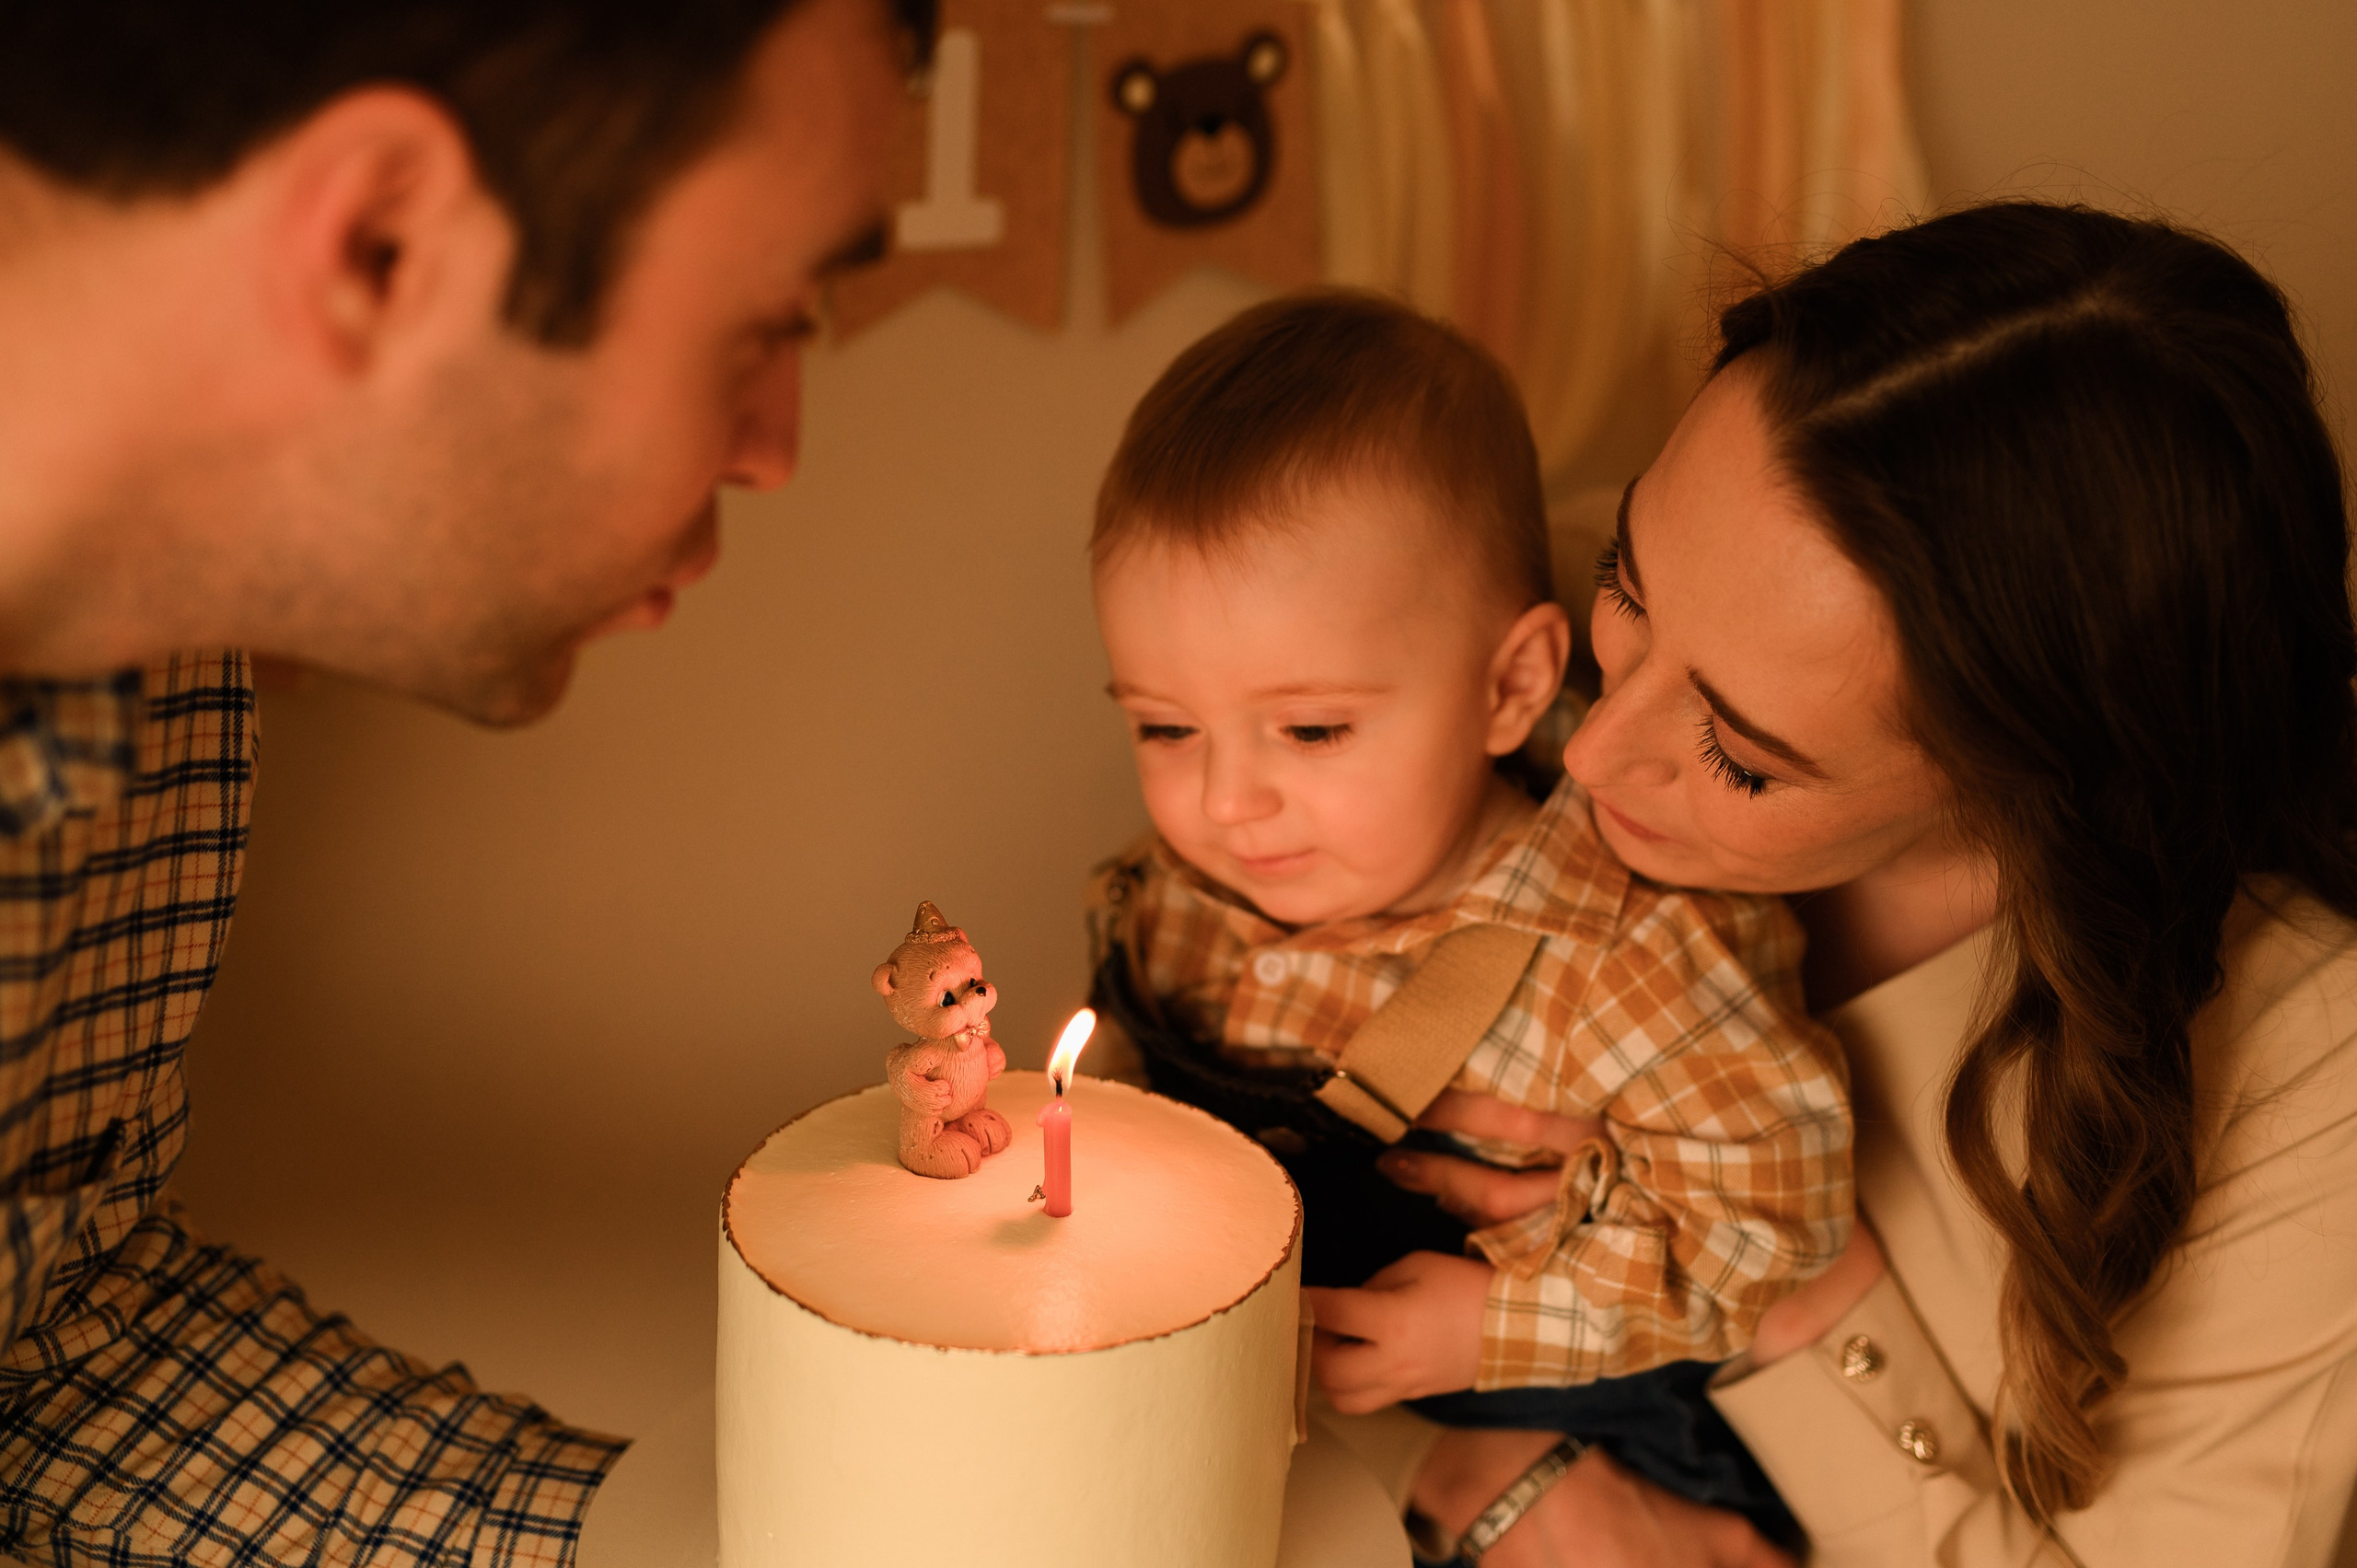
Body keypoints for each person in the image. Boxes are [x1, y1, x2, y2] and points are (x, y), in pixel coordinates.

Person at [0, 1, 924, 1560]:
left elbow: (53, 1346)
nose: (774, 448)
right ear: (381, 242)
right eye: (766, 321)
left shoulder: (163, 667)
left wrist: (723, 1542)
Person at [1374, 200, 2357, 1566]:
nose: (1592, 748)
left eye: (1738, 754)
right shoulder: (1513, 641)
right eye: (1626, 585)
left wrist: (1781, 1268)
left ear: (2024, 776)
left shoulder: (2311, 1075)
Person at [1083, 291, 1852, 1554]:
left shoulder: (1631, 958)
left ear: (1510, 686)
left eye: (1311, 729)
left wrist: (1495, 1327)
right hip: (1276, 1418)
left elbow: (1768, 1225)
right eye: (1166, 727)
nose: (1223, 801)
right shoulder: (1186, 893)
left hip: (1577, 1429)